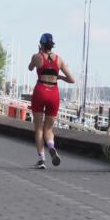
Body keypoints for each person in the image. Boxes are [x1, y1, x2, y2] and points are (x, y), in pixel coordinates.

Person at [27, 33, 75, 168]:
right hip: (54, 93)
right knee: (48, 128)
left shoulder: (37, 57)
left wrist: (38, 53)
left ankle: (42, 159)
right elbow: (72, 79)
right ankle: (51, 145)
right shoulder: (59, 59)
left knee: (38, 129)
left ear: (41, 44)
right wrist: (59, 77)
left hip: (40, 90)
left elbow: (30, 67)